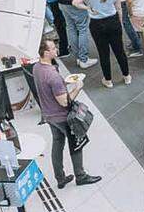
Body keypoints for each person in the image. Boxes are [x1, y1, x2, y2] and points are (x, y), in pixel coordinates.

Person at [33, 39, 102, 187]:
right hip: (62, 117)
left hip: (48, 115)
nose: (56, 49)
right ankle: (81, 176)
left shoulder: (37, 68)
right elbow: (64, 102)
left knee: (57, 143)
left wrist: (63, 86)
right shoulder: (52, 75)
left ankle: (60, 178)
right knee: (76, 144)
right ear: (46, 52)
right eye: (53, 48)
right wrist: (78, 87)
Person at [71, 0, 132, 88]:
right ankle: (127, 76)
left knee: (103, 53)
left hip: (97, 24)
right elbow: (119, 8)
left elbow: (75, 2)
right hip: (113, 21)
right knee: (120, 51)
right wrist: (119, 22)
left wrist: (88, 8)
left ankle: (108, 80)